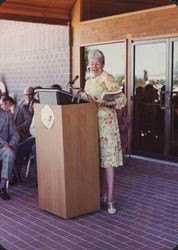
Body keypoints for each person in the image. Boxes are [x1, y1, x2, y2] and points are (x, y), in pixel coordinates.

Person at [81, 49, 127, 214]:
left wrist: (106, 103)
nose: (93, 66)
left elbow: (122, 99)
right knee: (95, 162)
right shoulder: (88, 81)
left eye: (96, 64)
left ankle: (110, 199)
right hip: (91, 125)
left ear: (103, 64)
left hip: (106, 127)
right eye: (91, 63)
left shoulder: (108, 78)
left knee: (107, 163)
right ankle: (98, 195)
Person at [0, 106, 20, 200]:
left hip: (3, 149)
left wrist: (11, 145)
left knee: (10, 153)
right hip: (3, 145)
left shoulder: (8, 115)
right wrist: (4, 143)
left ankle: (2, 187)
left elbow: (15, 133)